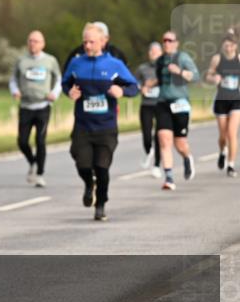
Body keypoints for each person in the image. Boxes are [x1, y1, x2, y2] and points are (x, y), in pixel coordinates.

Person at [62, 23, 139, 221]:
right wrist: (70, 91)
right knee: (82, 165)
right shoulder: (76, 63)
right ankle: (89, 184)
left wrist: (122, 91)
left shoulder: (114, 64)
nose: (87, 46)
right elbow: (65, 82)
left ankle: (101, 204)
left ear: (102, 42)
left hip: (106, 127)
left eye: (91, 42)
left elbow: (134, 86)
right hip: (83, 126)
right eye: (85, 42)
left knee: (102, 168)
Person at [9, 30, 62, 187]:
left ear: (43, 44)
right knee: (22, 141)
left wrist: (54, 93)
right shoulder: (21, 60)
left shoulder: (50, 61)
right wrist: (15, 91)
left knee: (40, 140)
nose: (33, 44)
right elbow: (13, 79)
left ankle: (40, 174)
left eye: (36, 41)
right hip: (26, 106)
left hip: (43, 106)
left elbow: (58, 79)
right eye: (30, 41)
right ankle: (32, 161)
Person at [153, 30, 200, 191]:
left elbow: (196, 76)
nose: (166, 43)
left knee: (180, 143)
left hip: (180, 103)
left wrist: (179, 71)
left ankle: (187, 157)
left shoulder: (183, 58)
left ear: (176, 43)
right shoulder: (160, 61)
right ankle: (169, 177)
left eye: (170, 40)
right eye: (164, 40)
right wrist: (148, 85)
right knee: (164, 139)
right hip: (162, 103)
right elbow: (160, 80)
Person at [206, 31, 240, 178]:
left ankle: (231, 165)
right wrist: (213, 78)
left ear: (236, 46)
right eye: (226, 45)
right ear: (222, 46)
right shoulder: (217, 59)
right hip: (221, 100)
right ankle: (222, 151)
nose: (229, 48)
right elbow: (208, 75)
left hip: (236, 100)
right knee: (223, 136)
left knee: (232, 133)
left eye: (231, 45)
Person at [136, 42, 163, 177]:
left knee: (159, 136)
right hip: (146, 105)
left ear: (161, 53)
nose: (154, 54)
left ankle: (157, 165)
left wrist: (154, 82)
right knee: (146, 134)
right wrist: (142, 88)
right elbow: (135, 83)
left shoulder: (165, 68)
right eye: (151, 51)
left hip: (161, 105)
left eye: (156, 52)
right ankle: (148, 150)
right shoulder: (142, 68)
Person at [62, 21, 129, 72]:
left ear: (107, 38)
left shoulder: (116, 54)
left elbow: (127, 78)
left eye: (102, 38)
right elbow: (66, 74)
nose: (88, 46)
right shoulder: (78, 53)